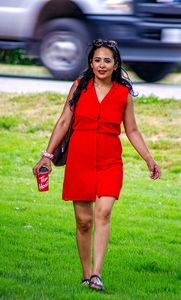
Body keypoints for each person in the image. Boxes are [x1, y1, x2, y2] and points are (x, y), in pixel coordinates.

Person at [33, 39, 161, 291]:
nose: (102, 65)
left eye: (107, 61)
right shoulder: (79, 87)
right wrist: (46, 156)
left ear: (115, 65)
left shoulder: (123, 94)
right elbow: (63, 122)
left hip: (109, 161)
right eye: (97, 60)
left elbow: (132, 130)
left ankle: (96, 274)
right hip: (80, 159)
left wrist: (149, 159)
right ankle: (85, 273)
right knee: (83, 221)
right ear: (90, 63)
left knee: (103, 212)